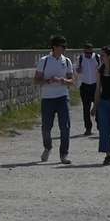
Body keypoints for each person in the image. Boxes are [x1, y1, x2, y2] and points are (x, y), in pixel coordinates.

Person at [33, 35, 75, 164]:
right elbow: (36, 80)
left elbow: (71, 81)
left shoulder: (67, 61)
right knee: (46, 126)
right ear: (55, 47)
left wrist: (63, 81)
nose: (64, 49)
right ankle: (47, 147)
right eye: (62, 46)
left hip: (63, 97)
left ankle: (64, 154)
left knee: (65, 126)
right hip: (48, 98)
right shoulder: (44, 60)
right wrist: (47, 80)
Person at [76, 43, 101, 136]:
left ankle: (100, 125)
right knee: (86, 108)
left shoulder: (97, 58)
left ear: (92, 51)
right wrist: (78, 70)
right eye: (86, 53)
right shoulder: (80, 58)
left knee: (98, 106)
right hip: (84, 85)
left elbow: (101, 68)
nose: (88, 55)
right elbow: (76, 70)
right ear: (84, 51)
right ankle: (88, 128)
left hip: (95, 85)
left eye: (90, 53)